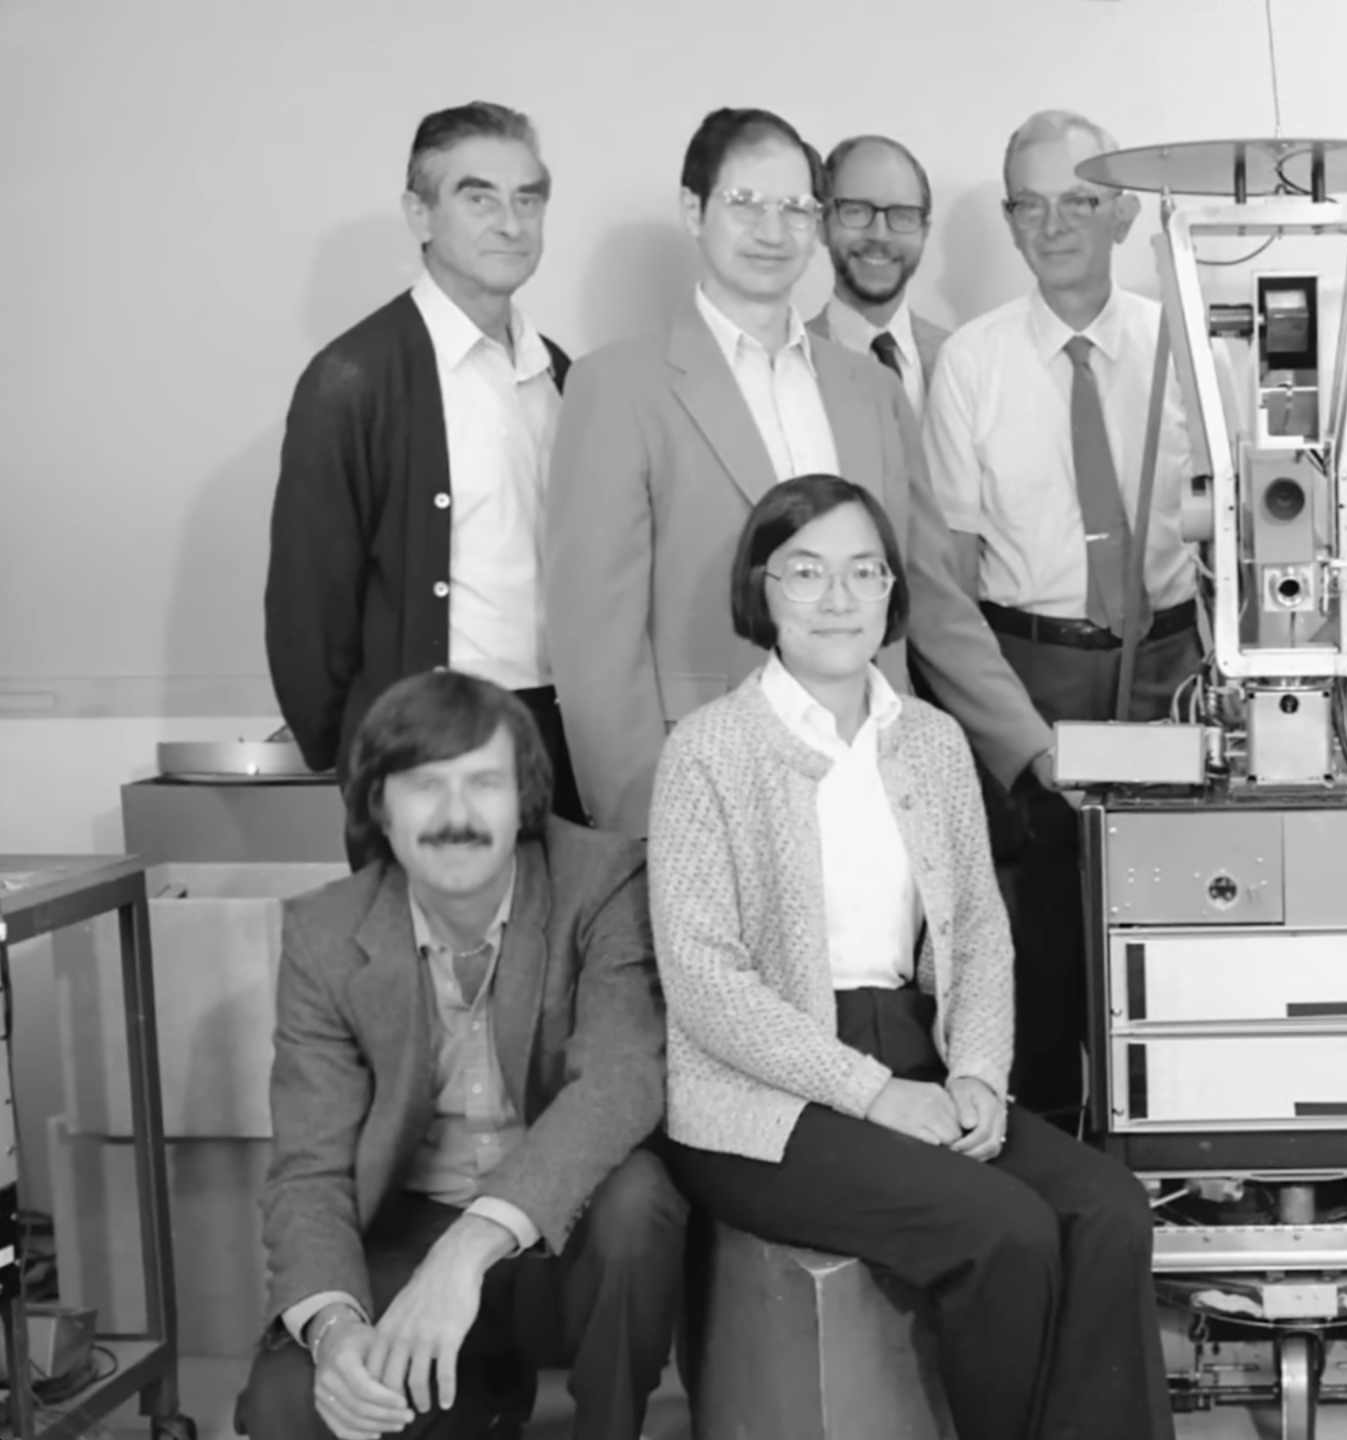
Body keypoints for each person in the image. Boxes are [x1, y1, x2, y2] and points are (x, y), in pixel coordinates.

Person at [648, 475, 1173, 1440]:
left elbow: (976, 933)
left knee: (1108, 1207)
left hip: (919, 1056)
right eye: (805, 572)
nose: (838, 598)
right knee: (1002, 1231)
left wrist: (977, 1073)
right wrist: (873, 1093)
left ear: (893, 590)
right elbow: (706, 986)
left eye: (865, 572)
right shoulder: (707, 752)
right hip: (760, 1101)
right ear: (760, 589)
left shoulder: (930, 740)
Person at [545, 107, 1052, 837]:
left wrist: (1033, 747)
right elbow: (595, 645)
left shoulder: (870, 389)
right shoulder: (616, 387)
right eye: (745, 203)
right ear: (693, 210)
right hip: (707, 788)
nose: (772, 230)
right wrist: (645, 826)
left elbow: (932, 598)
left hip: (874, 779)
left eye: (795, 208)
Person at [238, 672, 683, 1440]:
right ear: (380, 805)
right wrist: (337, 1330)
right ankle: (476, 1397)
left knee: (636, 1201)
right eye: (424, 785)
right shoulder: (323, 933)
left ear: (525, 799)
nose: (456, 815)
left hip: (560, 1234)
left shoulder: (603, 881)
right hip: (408, 1240)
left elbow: (620, 1083)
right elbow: (310, 1173)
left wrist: (464, 1253)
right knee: (290, 1407)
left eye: (484, 782)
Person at [923, 108, 1201, 1126]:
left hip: (1167, 678)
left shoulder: (1186, 350)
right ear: (1008, 221)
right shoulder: (972, 363)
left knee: (1170, 961)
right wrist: (1024, 743)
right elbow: (947, 584)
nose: (1054, 225)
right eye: (1031, 205)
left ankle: (1169, 1187)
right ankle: (1051, 1189)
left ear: (1122, 214)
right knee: (1036, 974)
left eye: (1079, 201)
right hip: (1030, 685)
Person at [265, 102, 588, 830]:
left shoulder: (559, 374)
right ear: (420, 214)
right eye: (479, 199)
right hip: (428, 740)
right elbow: (308, 604)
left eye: (527, 200)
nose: (510, 224)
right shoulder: (353, 378)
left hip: (559, 737)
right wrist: (358, 752)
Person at [810, 134, 949, 416]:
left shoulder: (962, 359)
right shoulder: (782, 362)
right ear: (822, 224)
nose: (879, 235)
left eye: (902, 215)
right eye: (856, 211)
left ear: (924, 231)